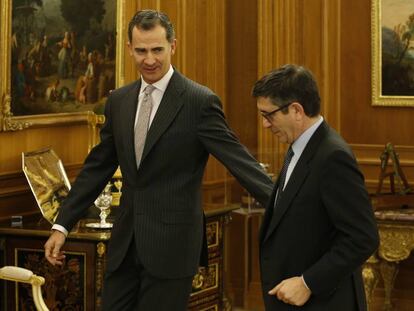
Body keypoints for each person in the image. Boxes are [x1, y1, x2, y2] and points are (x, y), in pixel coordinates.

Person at [44, 9, 273, 311]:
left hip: (172, 250)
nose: (149, 59)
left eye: (157, 50)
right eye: (141, 51)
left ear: (173, 46)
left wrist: (286, 208)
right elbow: (97, 167)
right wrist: (62, 225)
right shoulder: (119, 101)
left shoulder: (198, 102)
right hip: (124, 247)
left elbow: (240, 163)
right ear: (129, 49)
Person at [252, 64, 379, 310]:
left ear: (296, 110)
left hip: (324, 302)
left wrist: (308, 283)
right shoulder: (299, 147)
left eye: (269, 115)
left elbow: (363, 238)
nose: (266, 124)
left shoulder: (333, 157)